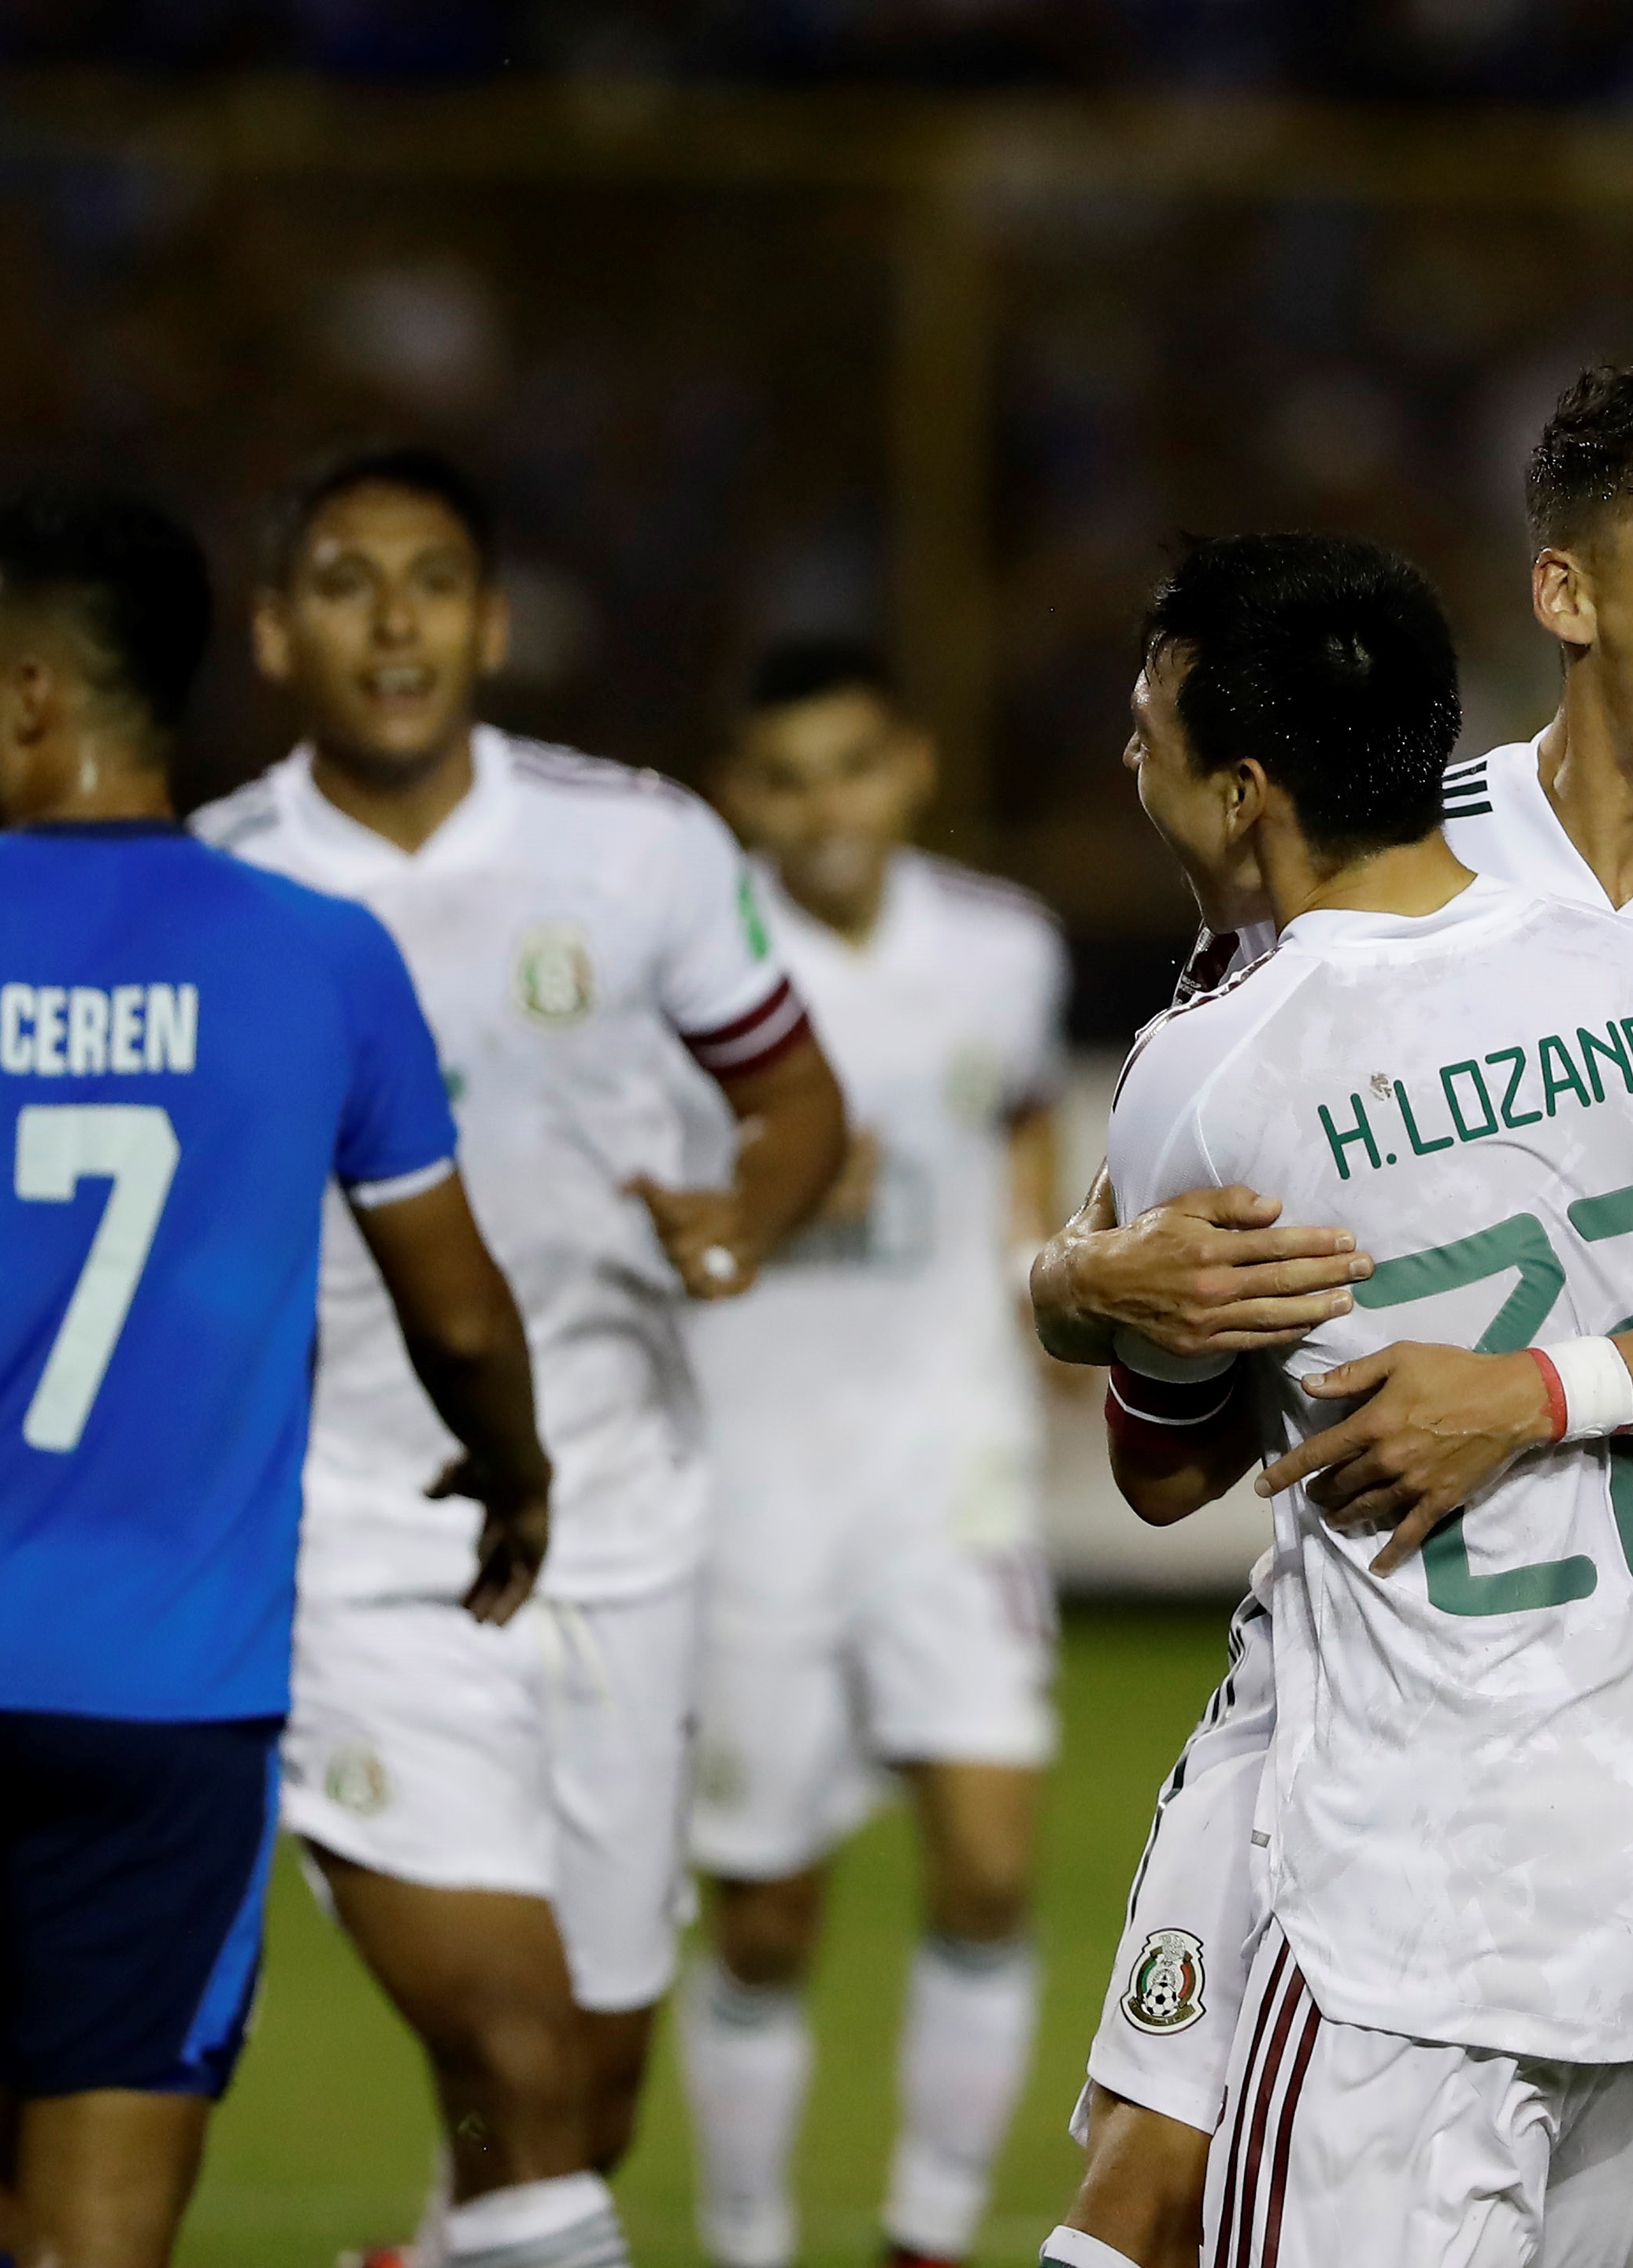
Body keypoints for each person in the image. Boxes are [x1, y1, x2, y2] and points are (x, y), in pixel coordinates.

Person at [1035, 359, 1633, 2268]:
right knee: (1147, 2196)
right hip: (1351, 1714)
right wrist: (1073, 1282)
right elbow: (1190, 1285)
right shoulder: (1374, 834)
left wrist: (1529, 1394)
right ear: (1570, 596)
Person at [1094, 528, 1633, 2259]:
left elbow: (1165, 1466)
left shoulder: (1221, 1059)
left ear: (1248, 792)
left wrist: (1078, 1285)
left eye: (1150, 736)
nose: (1132, 767)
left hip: (1416, 1912)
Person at [191, 444, 847, 2268]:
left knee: (585, 2095)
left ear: (487, 622)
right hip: (358, 1536)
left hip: (627, 1522)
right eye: (341, 580)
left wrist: (747, 1215)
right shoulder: (214, 885)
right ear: (272, 630)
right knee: (513, 2047)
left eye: (426, 580)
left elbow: (791, 1093)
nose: (389, 618)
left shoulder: (637, 847)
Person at [0, 487, 552, 2268]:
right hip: (162, 1695)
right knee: (102, 2236)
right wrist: (517, 1476)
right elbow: (466, 1318)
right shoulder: (319, 958)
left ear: (34, 696)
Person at [673, 639, 1072, 2268]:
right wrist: (747, 1197)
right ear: (738, 800)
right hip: (750, 1491)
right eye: (786, 777)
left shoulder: (1000, 949)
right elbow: (634, 1201)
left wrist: (1040, 1266)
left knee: (987, 1863)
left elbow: (1026, 1116)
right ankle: (750, 2239)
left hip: (949, 1474)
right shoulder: (691, 970)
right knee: (764, 1919)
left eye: (851, 767)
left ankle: (925, 2239)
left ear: (907, 767)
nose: (823, 806)